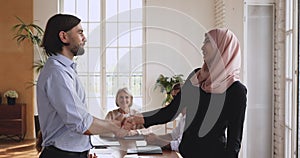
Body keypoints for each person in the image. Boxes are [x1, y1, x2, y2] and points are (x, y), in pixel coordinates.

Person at [123, 28, 247, 158]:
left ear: (222, 48)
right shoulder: (196, 77)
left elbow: (234, 142)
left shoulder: (236, 91)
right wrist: (140, 118)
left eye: (207, 41)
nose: (202, 47)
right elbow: (171, 111)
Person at [36, 14, 128, 158]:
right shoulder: (57, 73)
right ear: (64, 37)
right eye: (80, 32)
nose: (84, 38)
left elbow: (81, 118)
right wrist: (114, 127)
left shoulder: (66, 69)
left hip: (72, 152)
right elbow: (81, 123)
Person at [146, 83, 185, 152]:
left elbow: (179, 145)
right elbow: (172, 136)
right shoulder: (183, 118)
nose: (174, 101)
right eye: (173, 97)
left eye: (176, 97)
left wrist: (157, 140)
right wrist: (155, 137)